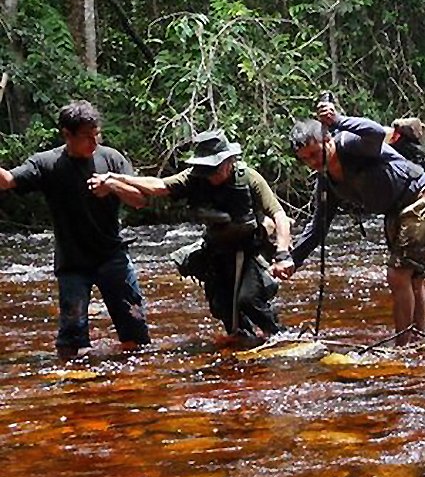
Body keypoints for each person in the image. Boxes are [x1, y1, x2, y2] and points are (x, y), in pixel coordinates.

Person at [104, 130, 291, 347]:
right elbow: (159, 186)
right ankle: (243, 344)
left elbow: (279, 216)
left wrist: (283, 255)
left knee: (248, 300)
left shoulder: (249, 178)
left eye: (215, 169)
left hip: (246, 252)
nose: (210, 175)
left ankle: (279, 337)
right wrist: (117, 178)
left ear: (229, 161)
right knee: (222, 306)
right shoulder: (195, 177)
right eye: (207, 169)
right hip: (216, 253)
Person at [273, 109, 425, 347]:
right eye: (306, 159)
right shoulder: (326, 181)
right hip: (394, 210)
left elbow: (377, 132)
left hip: (419, 198)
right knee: (412, 278)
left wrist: (339, 121)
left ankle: (404, 347)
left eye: (315, 154)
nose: (313, 163)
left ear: (327, 140)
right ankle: (418, 341)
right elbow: (318, 226)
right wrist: (293, 260)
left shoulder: (350, 144)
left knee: (398, 274)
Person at [0, 101, 150, 359]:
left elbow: (139, 200)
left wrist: (113, 185)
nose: (94, 142)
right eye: (86, 137)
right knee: (71, 342)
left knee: (136, 336)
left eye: (97, 135)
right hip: (73, 263)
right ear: (67, 135)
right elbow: (7, 181)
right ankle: (78, 387)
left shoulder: (111, 158)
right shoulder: (47, 164)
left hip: (112, 257)